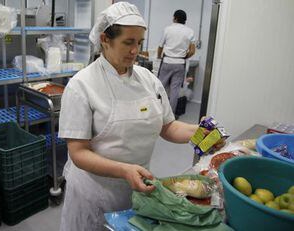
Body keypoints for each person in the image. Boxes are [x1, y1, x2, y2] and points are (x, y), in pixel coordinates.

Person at [58, 2, 222, 230]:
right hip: (95, 194)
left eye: (139, 43)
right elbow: (78, 153)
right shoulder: (82, 86)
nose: (136, 50)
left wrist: (200, 132)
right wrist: (124, 170)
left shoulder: (148, 80)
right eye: (128, 42)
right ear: (105, 39)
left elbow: (168, 127)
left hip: (138, 188)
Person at [157, 10, 195, 118]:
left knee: (160, 87)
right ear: (185, 20)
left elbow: (160, 46)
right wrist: (183, 57)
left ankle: (156, 111)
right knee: (175, 90)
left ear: (175, 18)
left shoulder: (167, 29)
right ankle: (170, 115)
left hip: (167, 62)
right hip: (180, 63)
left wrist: (159, 57)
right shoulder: (190, 31)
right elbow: (192, 51)